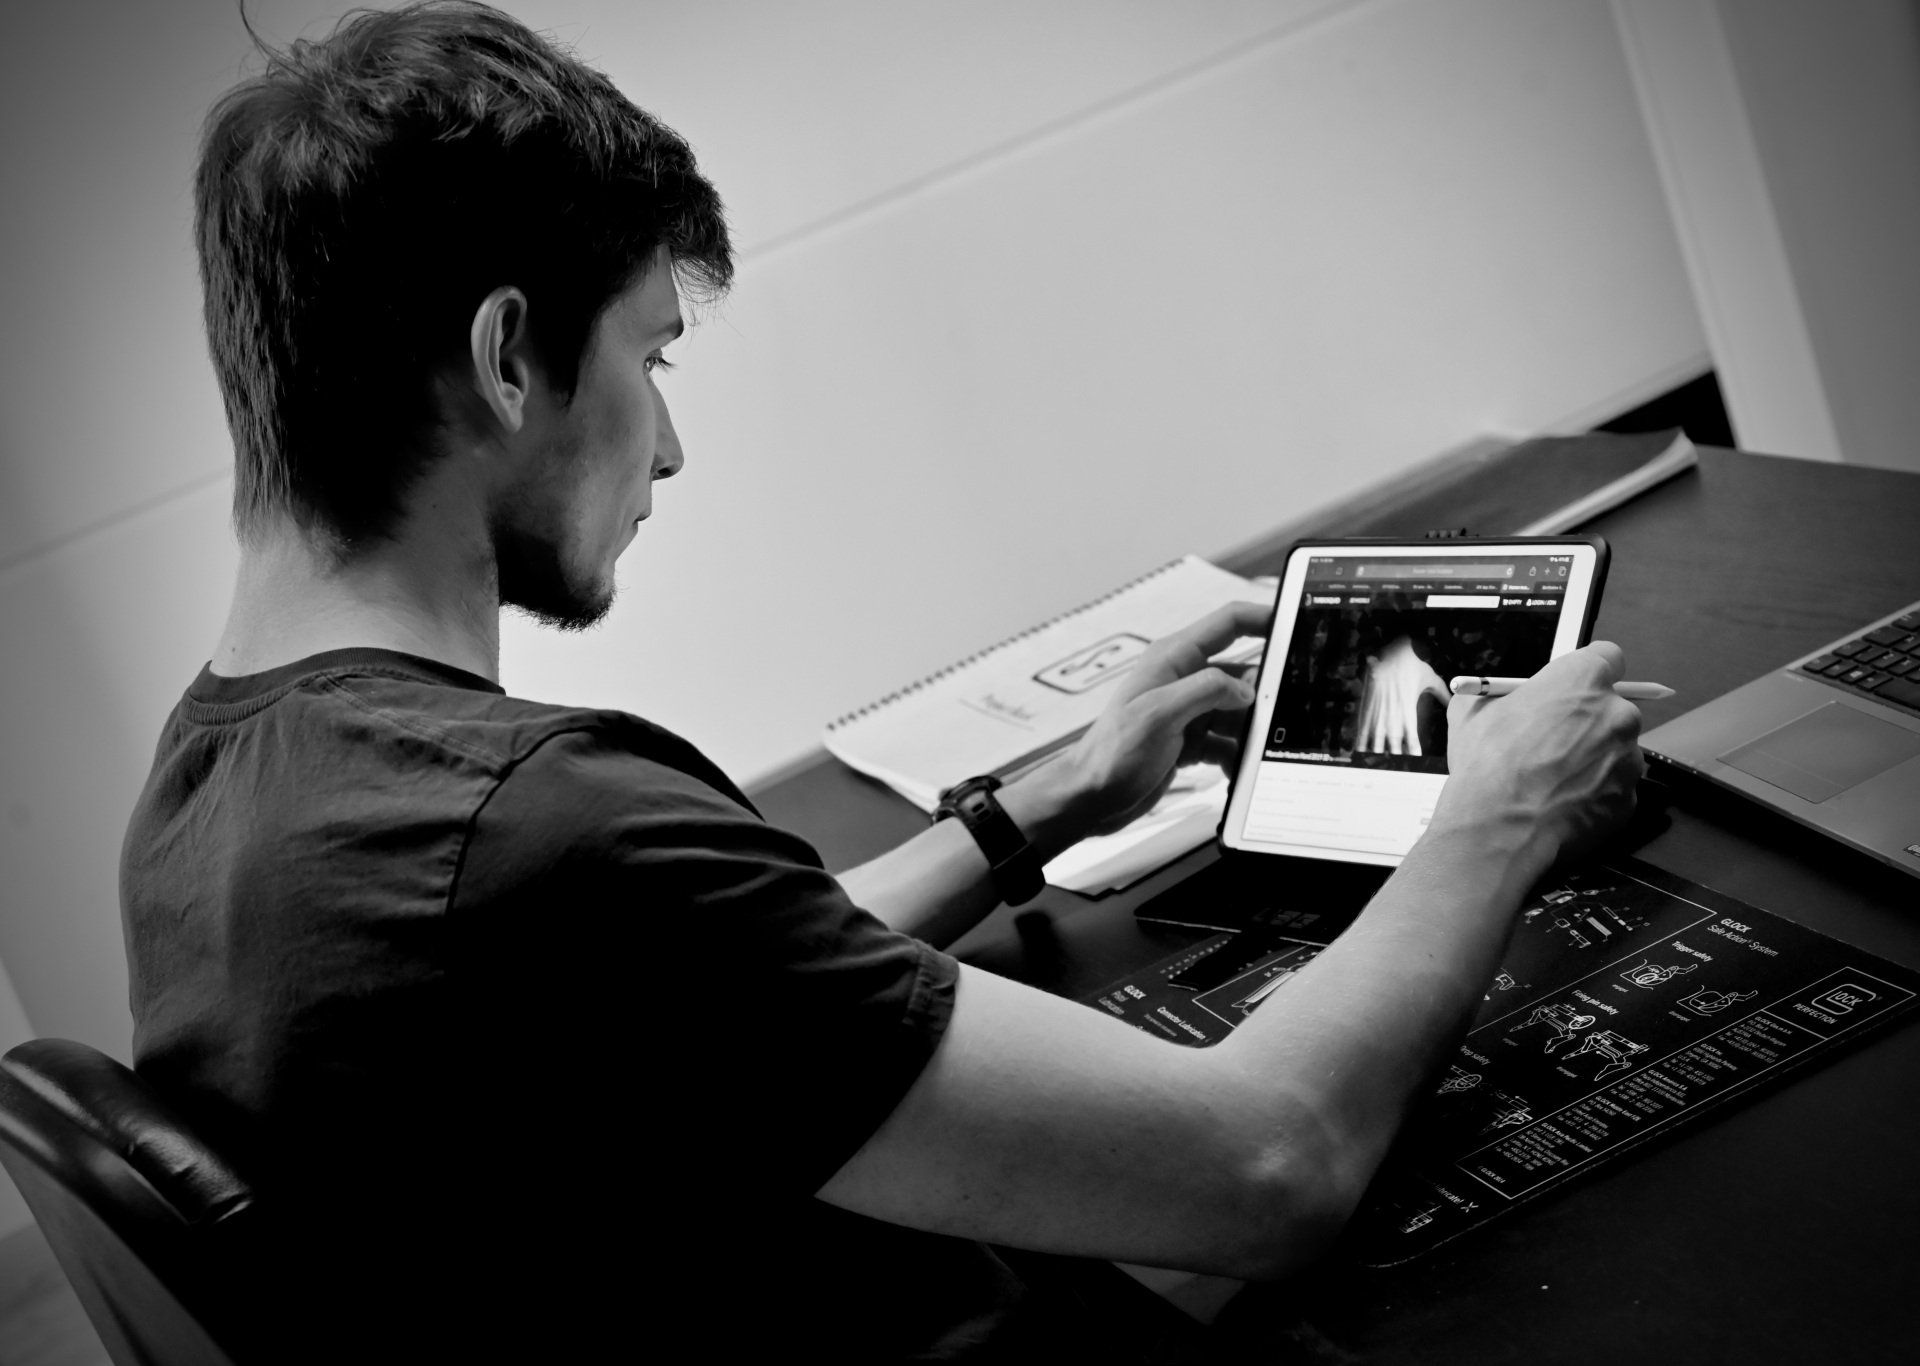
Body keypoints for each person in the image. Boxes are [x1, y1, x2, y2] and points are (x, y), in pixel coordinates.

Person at [120, 3, 1644, 1360]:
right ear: (508, 355)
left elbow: (694, 1000)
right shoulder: (538, 829)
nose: (667, 449)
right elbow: (1271, 1162)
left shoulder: (216, 788)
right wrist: (1500, 810)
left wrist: (1038, 806)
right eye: (652, 358)